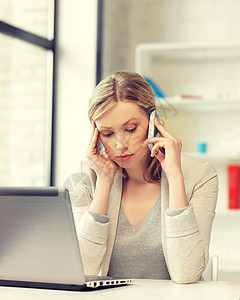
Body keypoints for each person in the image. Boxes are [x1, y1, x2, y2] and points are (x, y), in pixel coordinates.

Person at [64, 71, 218, 284]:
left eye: (130, 128)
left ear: (153, 121)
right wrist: (104, 183)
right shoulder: (85, 179)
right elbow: (82, 270)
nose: (120, 144)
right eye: (107, 133)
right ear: (96, 133)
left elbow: (186, 273)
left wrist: (174, 177)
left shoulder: (200, 175)